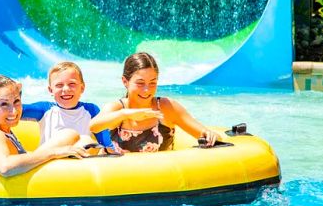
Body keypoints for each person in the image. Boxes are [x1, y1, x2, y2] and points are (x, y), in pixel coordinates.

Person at [90, 52, 224, 153]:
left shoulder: (166, 107)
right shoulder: (117, 108)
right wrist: (126, 114)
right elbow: (93, 127)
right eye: (140, 83)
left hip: (161, 183)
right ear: (125, 81)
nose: (147, 90)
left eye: (153, 83)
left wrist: (210, 135)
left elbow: (205, 134)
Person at [0, 74, 89, 177]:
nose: (14, 112)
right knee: (74, 137)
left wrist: (13, 89)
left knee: (73, 136)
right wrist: (55, 152)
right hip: (19, 195)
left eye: (16, 101)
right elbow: (4, 167)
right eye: (4, 104)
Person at [21, 61, 114, 151]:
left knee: (86, 140)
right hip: (51, 163)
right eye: (59, 85)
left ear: (82, 88)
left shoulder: (92, 110)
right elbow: (17, 110)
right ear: (50, 90)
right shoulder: (45, 110)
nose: (66, 89)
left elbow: (107, 144)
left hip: (78, 163)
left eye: (72, 84)